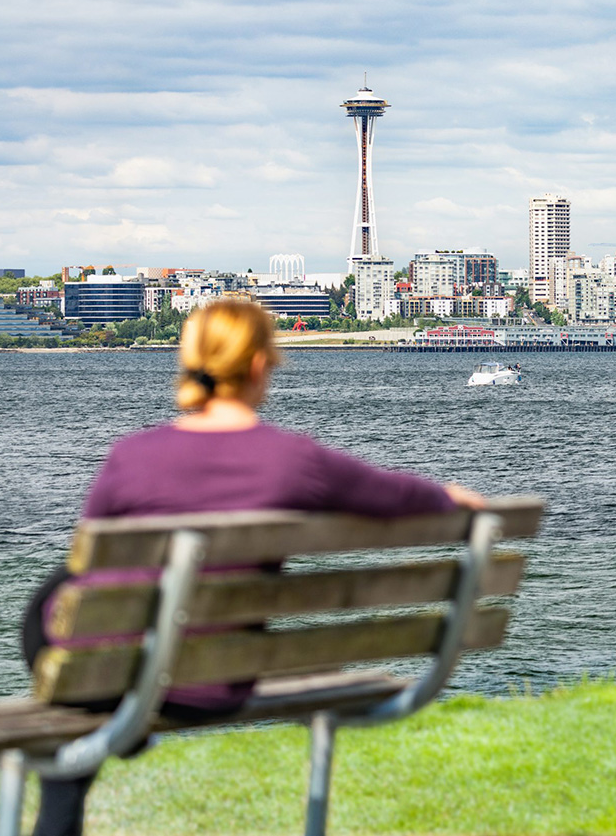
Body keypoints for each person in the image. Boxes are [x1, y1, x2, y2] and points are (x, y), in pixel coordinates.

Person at [26, 299, 484, 836]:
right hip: (215, 685)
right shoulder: (295, 461)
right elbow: (397, 494)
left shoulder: (131, 456)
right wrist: (450, 494)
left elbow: (87, 560)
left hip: (108, 675)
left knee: (60, 589)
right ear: (261, 365)